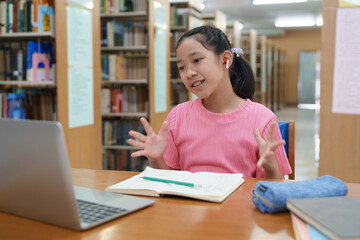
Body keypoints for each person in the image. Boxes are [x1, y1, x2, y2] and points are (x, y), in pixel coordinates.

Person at [128, 25, 292, 179]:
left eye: (197, 60)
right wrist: (156, 160)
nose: (189, 73)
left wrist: (271, 167)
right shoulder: (178, 115)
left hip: (238, 208)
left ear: (225, 60)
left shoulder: (262, 118)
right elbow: (171, 182)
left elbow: (276, 190)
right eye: (182, 67)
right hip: (190, 208)